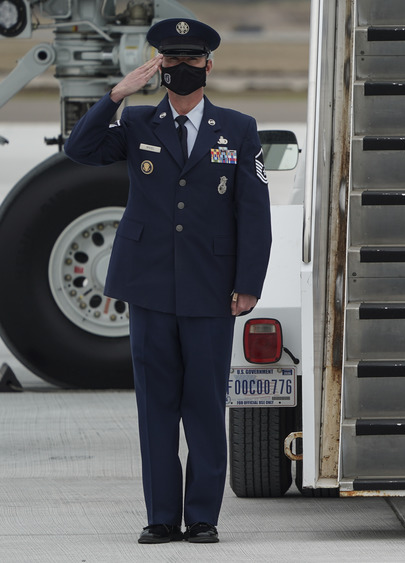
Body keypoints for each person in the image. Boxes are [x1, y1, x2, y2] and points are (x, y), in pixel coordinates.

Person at [63, 18, 271, 544]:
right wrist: (116, 94)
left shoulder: (239, 128)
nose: (181, 69)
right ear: (157, 66)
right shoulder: (135, 123)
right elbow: (79, 150)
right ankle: (160, 517)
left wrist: (248, 283)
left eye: (191, 60)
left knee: (203, 403)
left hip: (210, 287)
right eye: (170, 60)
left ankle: (202, 517)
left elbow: (254, 212)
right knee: (155, 405)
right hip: (150, 285)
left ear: (208, 64)